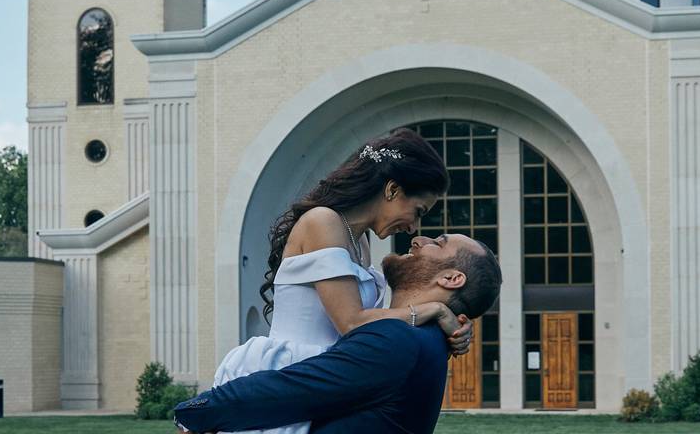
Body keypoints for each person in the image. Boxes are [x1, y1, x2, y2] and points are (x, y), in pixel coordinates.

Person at [211, 129, 474, 434]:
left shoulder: (359, 241)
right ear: (391, 190)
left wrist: (453, 330)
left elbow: (378, 323)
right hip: (291, 372)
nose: (414, 227)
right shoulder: (322, 222)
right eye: (417, 212)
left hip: (334, 378)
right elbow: (351, 322)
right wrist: (436, 310)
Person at [175, 232, 503, 433]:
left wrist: (194, 413)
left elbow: (285, 391)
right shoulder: (424, 339)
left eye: (438, 243)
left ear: (451, 279)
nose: (419, 239)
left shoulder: (400, 341)